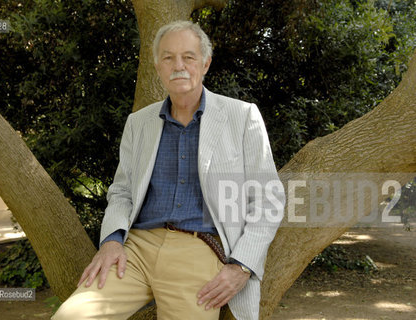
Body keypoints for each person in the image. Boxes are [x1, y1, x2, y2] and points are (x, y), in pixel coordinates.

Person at [52, 20, 285, 320]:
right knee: (69, 317)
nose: (179, 65)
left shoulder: (242, 117)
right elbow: (122, 190)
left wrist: (242, 266)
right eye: (168, 57)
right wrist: (111, 240)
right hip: (135, 250)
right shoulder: (139, 123)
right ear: (158, 66)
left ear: (205, 64)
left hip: (198, 251)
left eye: (188, 57)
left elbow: (269, 199)